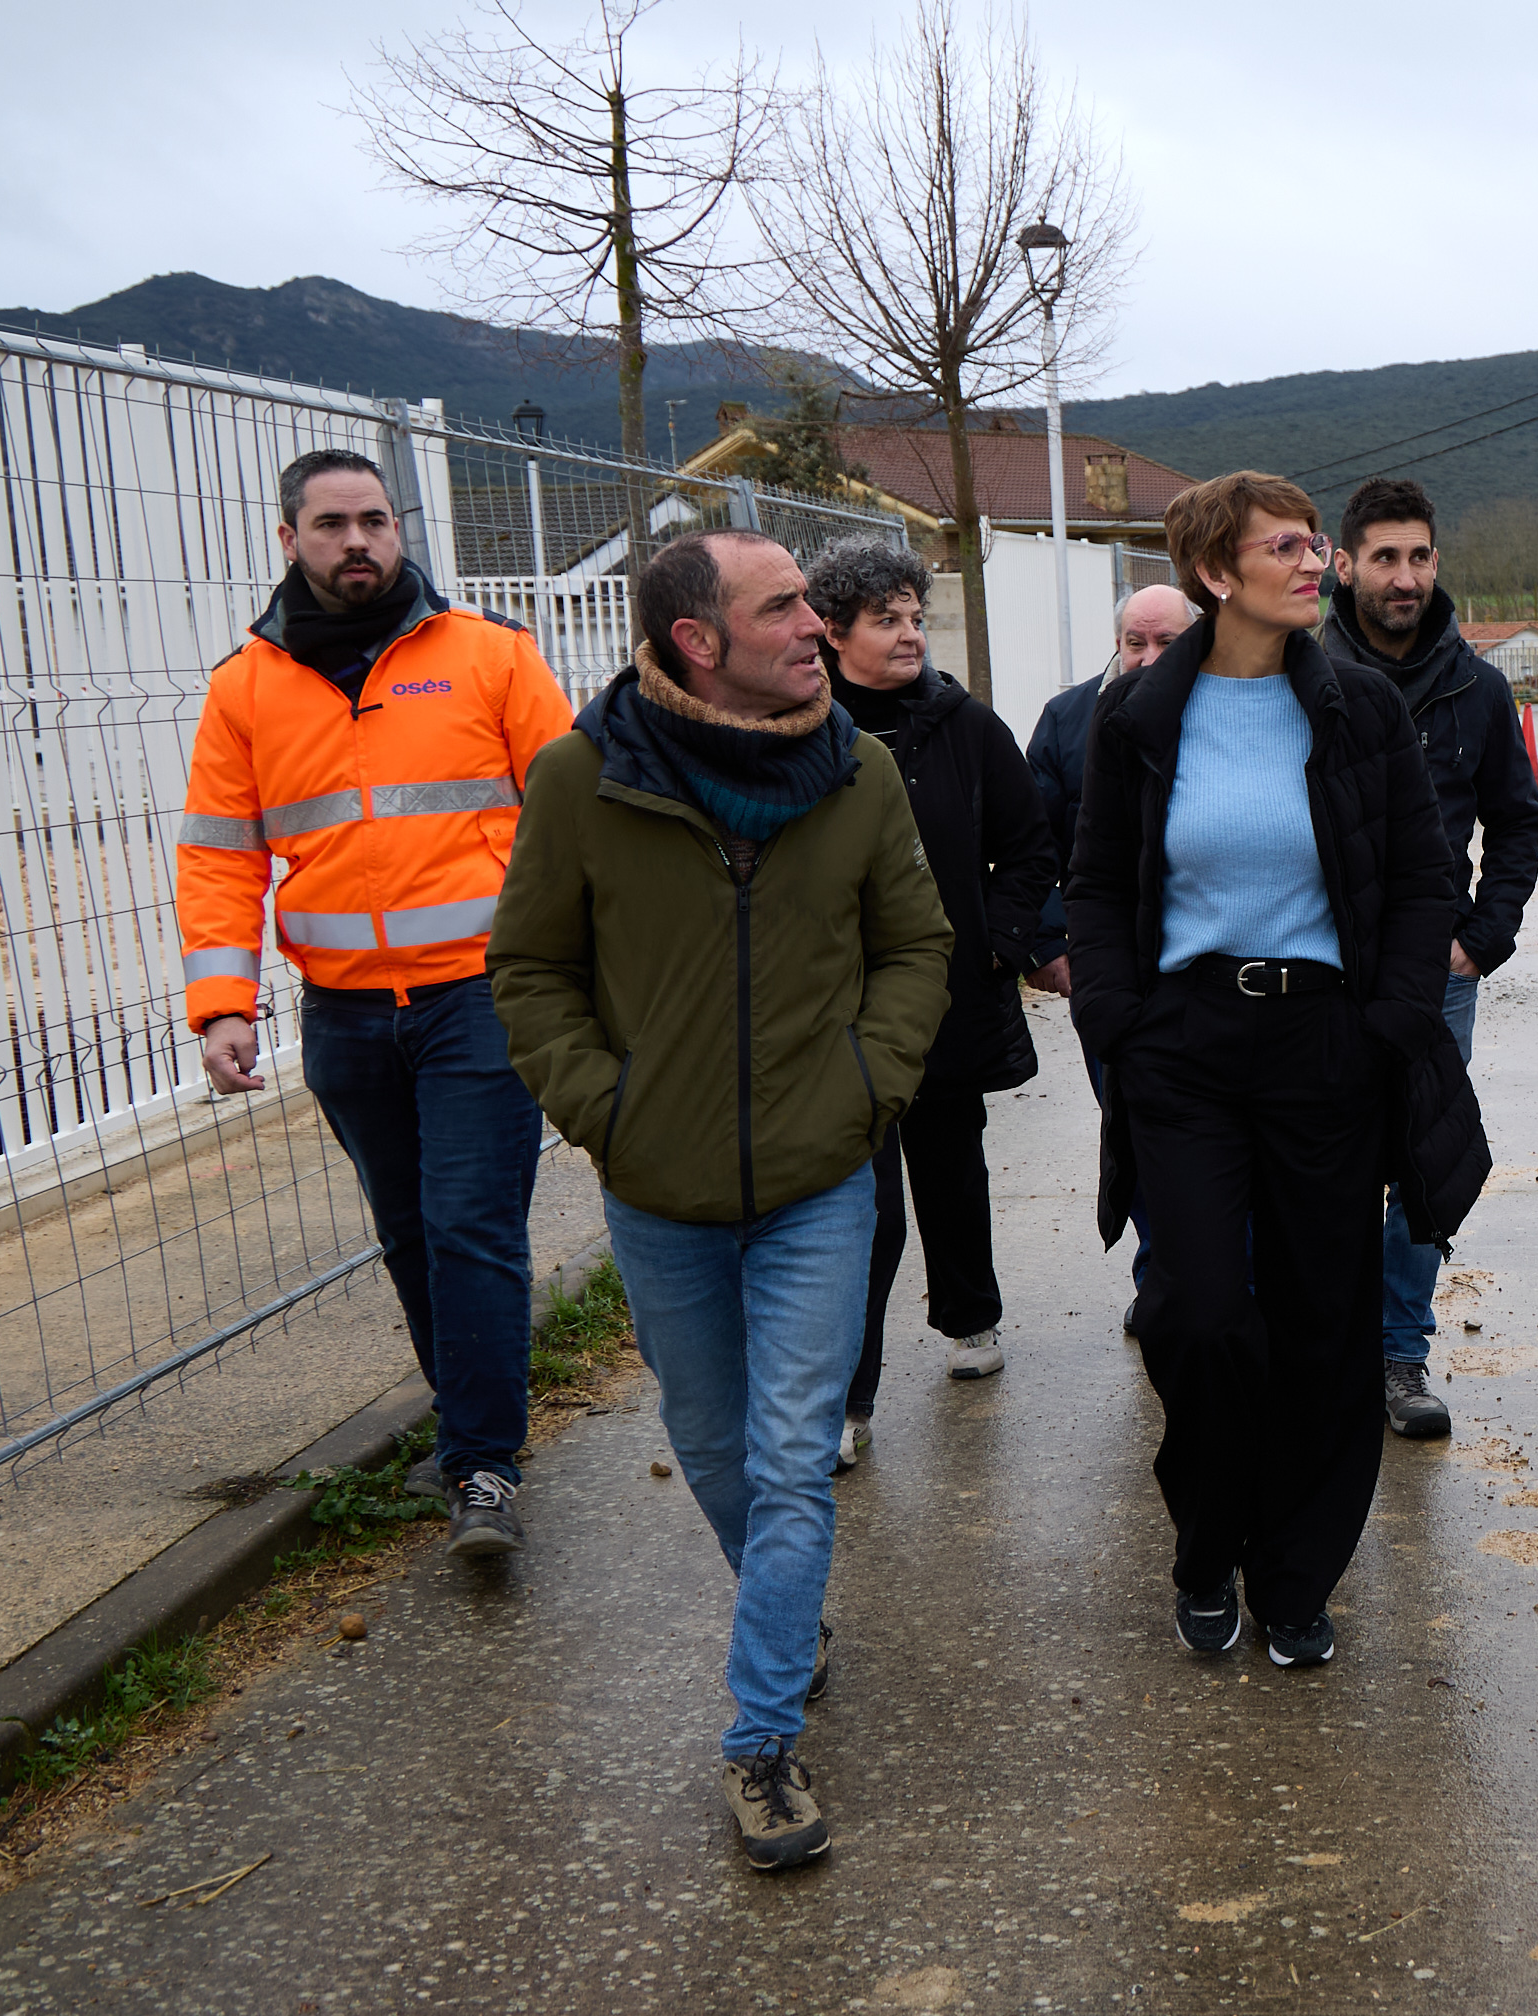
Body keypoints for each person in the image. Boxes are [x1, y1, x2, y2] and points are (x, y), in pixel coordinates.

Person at [490, 529, 953, 1873]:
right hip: (662, 1188)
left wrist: (868, 1087)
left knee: (793, 1453)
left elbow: (915, 944)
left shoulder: (858, 771)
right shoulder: (587, 778)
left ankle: (759, 1743)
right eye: (786, 606)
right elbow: (528, 967)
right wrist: (608, 1110)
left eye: (813, 603)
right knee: (715, 1450)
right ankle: (788, 1619)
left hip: (820, 1181)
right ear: (700, 640)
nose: (819, 624)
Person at [1067, 471, 1487, 1669]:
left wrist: (1388, 1024)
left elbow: (1420, 883)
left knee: (1325, 1330)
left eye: (1317, 547)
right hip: (1186, 1049)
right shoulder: (1141, 714)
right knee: (1197, 1317)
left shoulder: (1357, 708)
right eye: (1289, 548)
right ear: (1216, 574)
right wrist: (1118, 1020)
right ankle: (1208, 1545)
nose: (1318, 565)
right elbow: (1096, 885)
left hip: (1325, 1050)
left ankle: (1298, 1578)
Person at [178, 448, 573, 1559]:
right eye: (333, 524)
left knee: (470, 1229)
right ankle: (473, 1429)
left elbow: (574, 815)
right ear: (289, 540)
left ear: (400, 530)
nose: (359, 541)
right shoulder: (244, 689)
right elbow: (220, 858)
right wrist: (222, 1003)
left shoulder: (492, 656)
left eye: (375, 521)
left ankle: (483, 1466)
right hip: (344, 1015)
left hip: (479, 1000)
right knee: (408, 1235)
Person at [807, 538, 1058, 1468]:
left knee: (951, 1171)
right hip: (834, 1012)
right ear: (832, 632)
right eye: (887, 619)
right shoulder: (800, 723)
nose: (910, 633)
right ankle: (848, 1399)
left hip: (946, 997)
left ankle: (970, 1319)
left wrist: (995, 942)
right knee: (859, 1208)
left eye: (916, 616)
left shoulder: (965, 724)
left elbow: (1030, 845)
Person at [1320, 477, 1538, 1441]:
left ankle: (1401, 1354)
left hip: (1436, 974)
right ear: (1344, 564)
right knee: (1323, 1160)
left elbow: (1518, 822)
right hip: (1322, 968)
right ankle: (1325, 1349)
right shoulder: (1300, 670)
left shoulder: (1478, 686)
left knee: (1422, 1164)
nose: (1404, 576)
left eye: (1419, 556)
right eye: (1384, 557)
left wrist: (1479, 940)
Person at [1030, 583, 1196, 1330]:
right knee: (1132, 1131)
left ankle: (1222, 1282)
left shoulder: (1220, 711)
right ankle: (1160, 1276)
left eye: (1167, 642)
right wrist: (1050, 945)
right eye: (1137, 642)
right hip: (1108, 974)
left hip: (1204, 973)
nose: (1149, 658)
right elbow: (1028, 844)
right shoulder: (1067, 722)